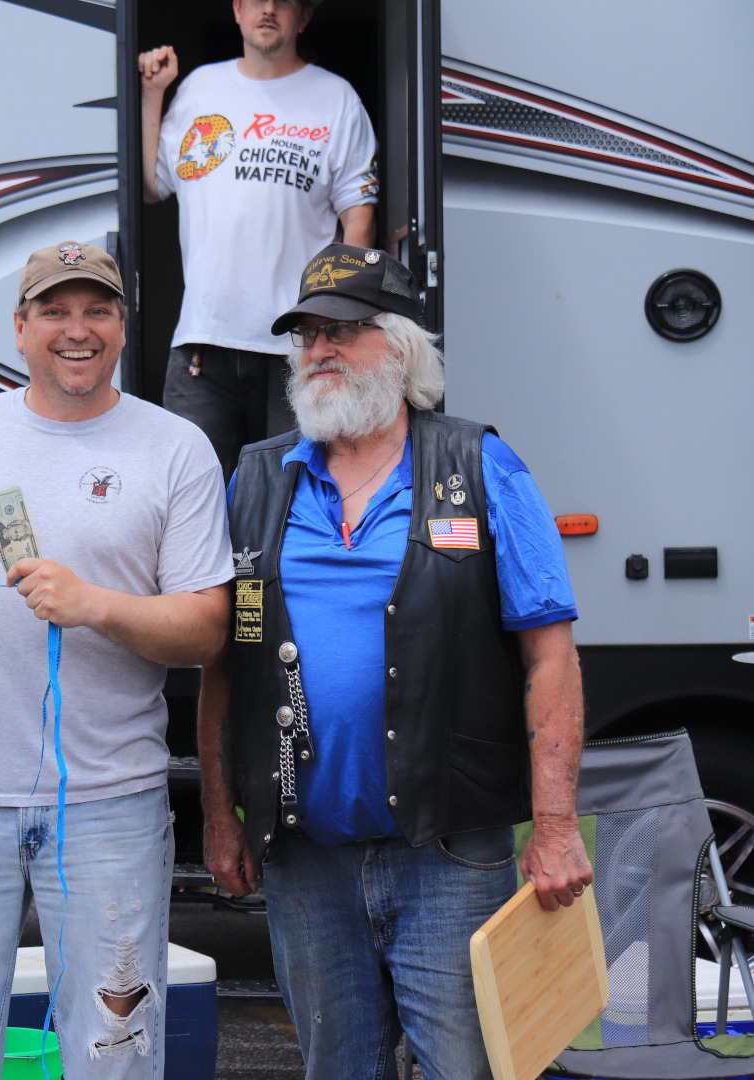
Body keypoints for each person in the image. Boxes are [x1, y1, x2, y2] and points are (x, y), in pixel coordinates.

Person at [198, 243, 592, 1080]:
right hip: (305, 854)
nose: (319, 350)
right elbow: (225, 663)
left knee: (466, 1068)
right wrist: (220, 812)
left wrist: (556, 827)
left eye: (343, 330)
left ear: (404, 347)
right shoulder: (257, 479)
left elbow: (549, 657)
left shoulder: (480, 465)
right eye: (306, 334)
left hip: (449, 855)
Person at [0, 241, 233, 1079]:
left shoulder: (175, 449)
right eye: (55, 311)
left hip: (110, 806)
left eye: (97, 310)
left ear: (123, 327)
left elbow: (209, 628)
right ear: (21, 328)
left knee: (112, 1060)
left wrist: (96, 605)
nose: (77, 329)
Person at [141, 0, 379, 482]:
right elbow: (151, 185)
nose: (268, 9)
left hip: (299, 342)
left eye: (284, 1)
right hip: (205, 338)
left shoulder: (336, 98)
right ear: (236, 9)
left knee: (293, 495)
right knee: (191, 493)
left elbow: (360, 217)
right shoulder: (199, 88)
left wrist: (335, 320)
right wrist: (152, 94)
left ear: (304, 16)